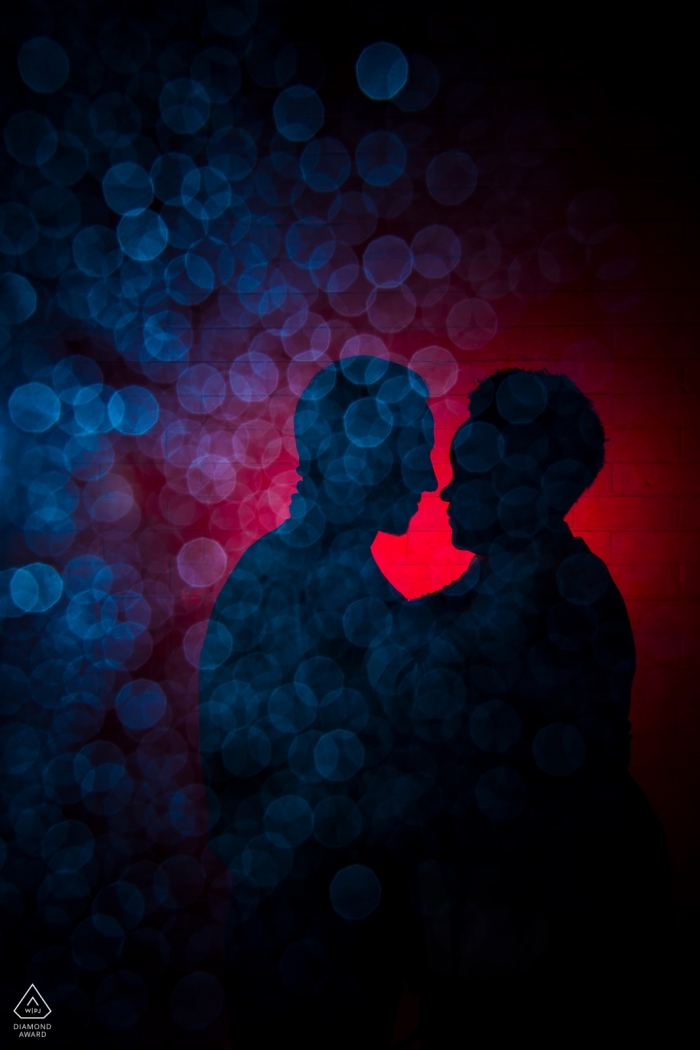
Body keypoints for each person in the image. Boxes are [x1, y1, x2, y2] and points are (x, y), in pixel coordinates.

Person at [409, 368, 674, 1042]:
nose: (447, 487)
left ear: (529, 481)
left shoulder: (561, 598)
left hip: (539, 934)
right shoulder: (503, 591)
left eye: (467, 465)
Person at [198, 356, 438, 1049]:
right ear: (356, 460)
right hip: (310, 946)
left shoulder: (300, 581)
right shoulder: (291, 588)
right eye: (410, 454)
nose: (425, 480)